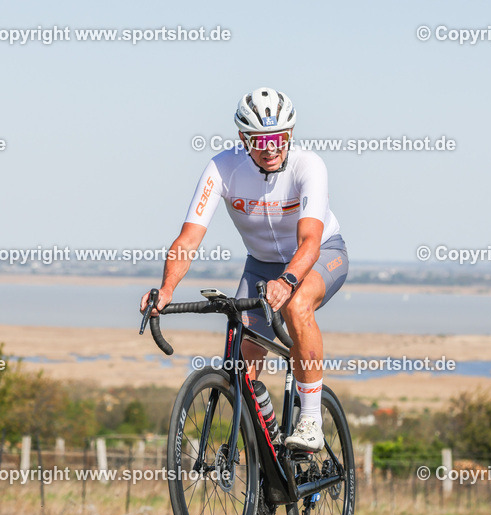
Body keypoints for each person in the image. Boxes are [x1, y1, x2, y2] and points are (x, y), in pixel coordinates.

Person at [139, 87, 348, 451]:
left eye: (279, 138)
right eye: (260, 139)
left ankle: (311, 420)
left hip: (320, 255)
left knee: (298, 307)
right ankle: (267, 452)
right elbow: (188, 239)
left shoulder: (309, 166)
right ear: (243, 138)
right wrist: (167, 288)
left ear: (290, 134)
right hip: (260, 266)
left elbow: (310, 242)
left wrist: (287, 281)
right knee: (241, 367)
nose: (271, 148)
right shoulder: (222, 168)